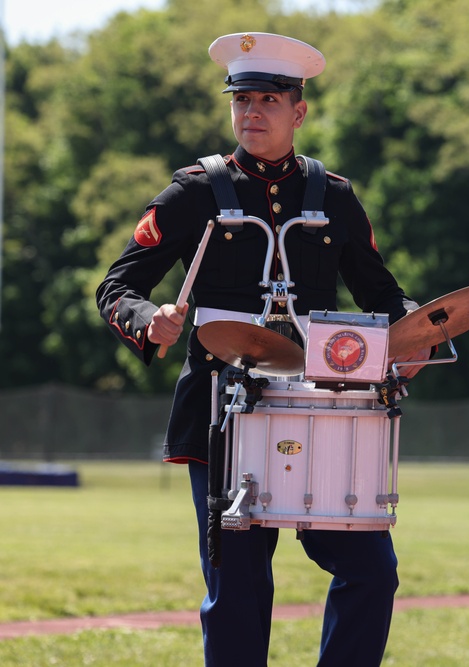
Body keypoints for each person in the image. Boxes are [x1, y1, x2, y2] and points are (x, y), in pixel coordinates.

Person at [95, 32, 430, 667]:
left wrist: (417, 328)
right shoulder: (195, 192)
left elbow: (383, 294)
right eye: (241, 100)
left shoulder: (333, 197)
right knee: (238, 591)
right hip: (225, 411)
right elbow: (118, 285)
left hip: (322, 407)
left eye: (267, 100)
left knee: (370, 570)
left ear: (298, 112)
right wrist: (148, 320)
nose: (251, 112)